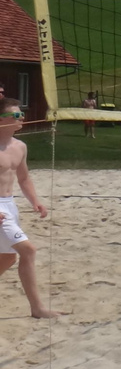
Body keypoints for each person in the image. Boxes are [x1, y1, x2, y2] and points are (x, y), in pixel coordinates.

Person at [0, 97, 66, 318]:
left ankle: (37, 308)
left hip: (9, 205)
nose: (22, 118)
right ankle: (37, 308)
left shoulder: (20, 146)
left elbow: (24, 178)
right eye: (16, 115)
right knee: (28, 250)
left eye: (21, 114)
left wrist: (35, 201)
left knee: (8, 257)